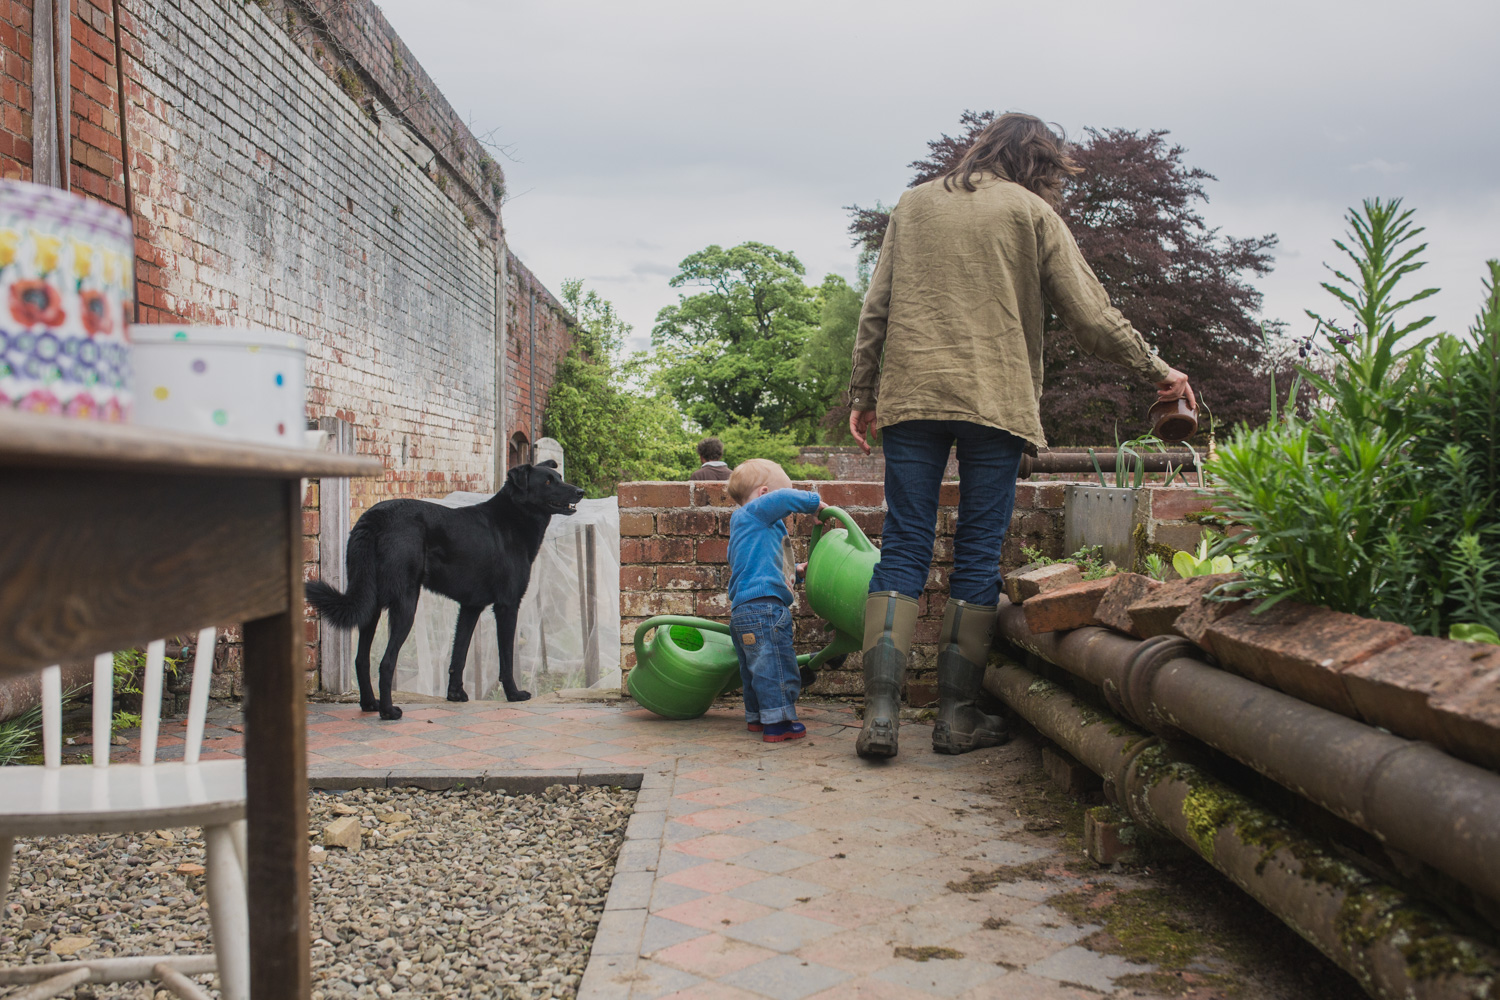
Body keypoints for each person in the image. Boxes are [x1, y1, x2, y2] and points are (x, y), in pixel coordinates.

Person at [846, 112, 1196, 760]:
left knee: (902, 549)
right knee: (978, 554)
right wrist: (1159, 368)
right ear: (1038, 164)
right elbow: (1093, 318)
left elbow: (877, 306)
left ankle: (882, 717)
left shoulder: (914, 204)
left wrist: (862, 395)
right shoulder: (1031, 214)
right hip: (994, 401)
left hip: (912, 397)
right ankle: (956, 720)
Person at [725, 459, 830, 742]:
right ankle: (779, 722)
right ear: (763, 494)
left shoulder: (749, 527)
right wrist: (814, 504)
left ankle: (757, 717)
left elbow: (760, 566)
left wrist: (796, 572)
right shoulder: (756, 514)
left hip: (744, 610)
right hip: (765, 609)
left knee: (754, 670)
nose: (786, 512)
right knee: (777, 666)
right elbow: (784, 498)